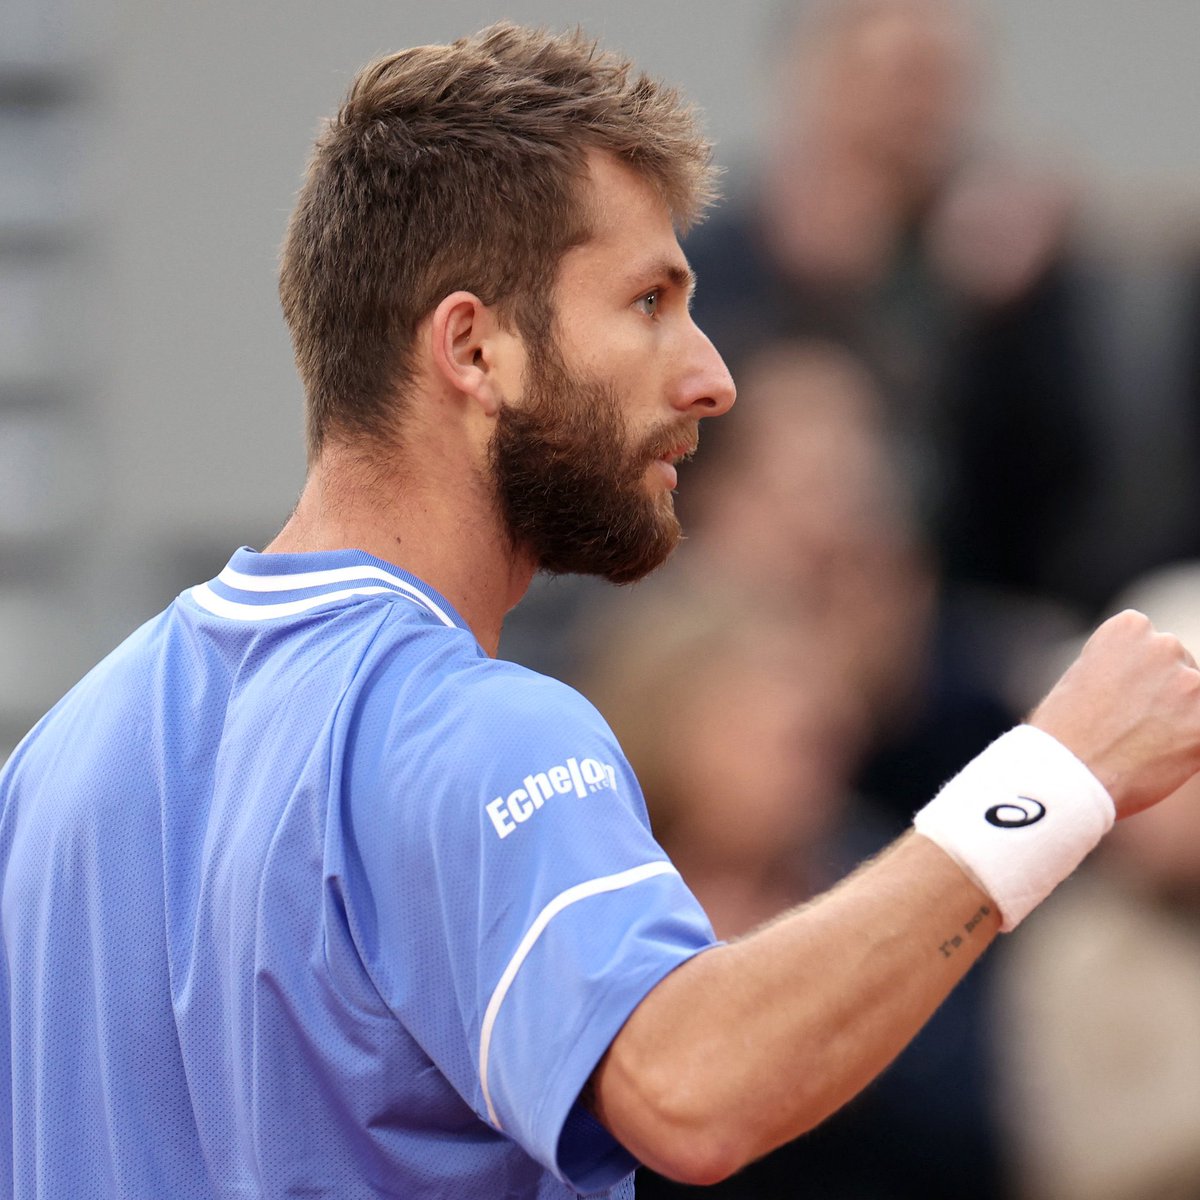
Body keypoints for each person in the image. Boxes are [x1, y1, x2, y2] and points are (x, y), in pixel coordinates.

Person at [2, 22, 1200, 1200]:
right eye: (648, 302)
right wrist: (1057, 774)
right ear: (474, 349)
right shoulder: (476, 729)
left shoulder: (51, 767)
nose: (711, 377)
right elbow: (691, 1087)